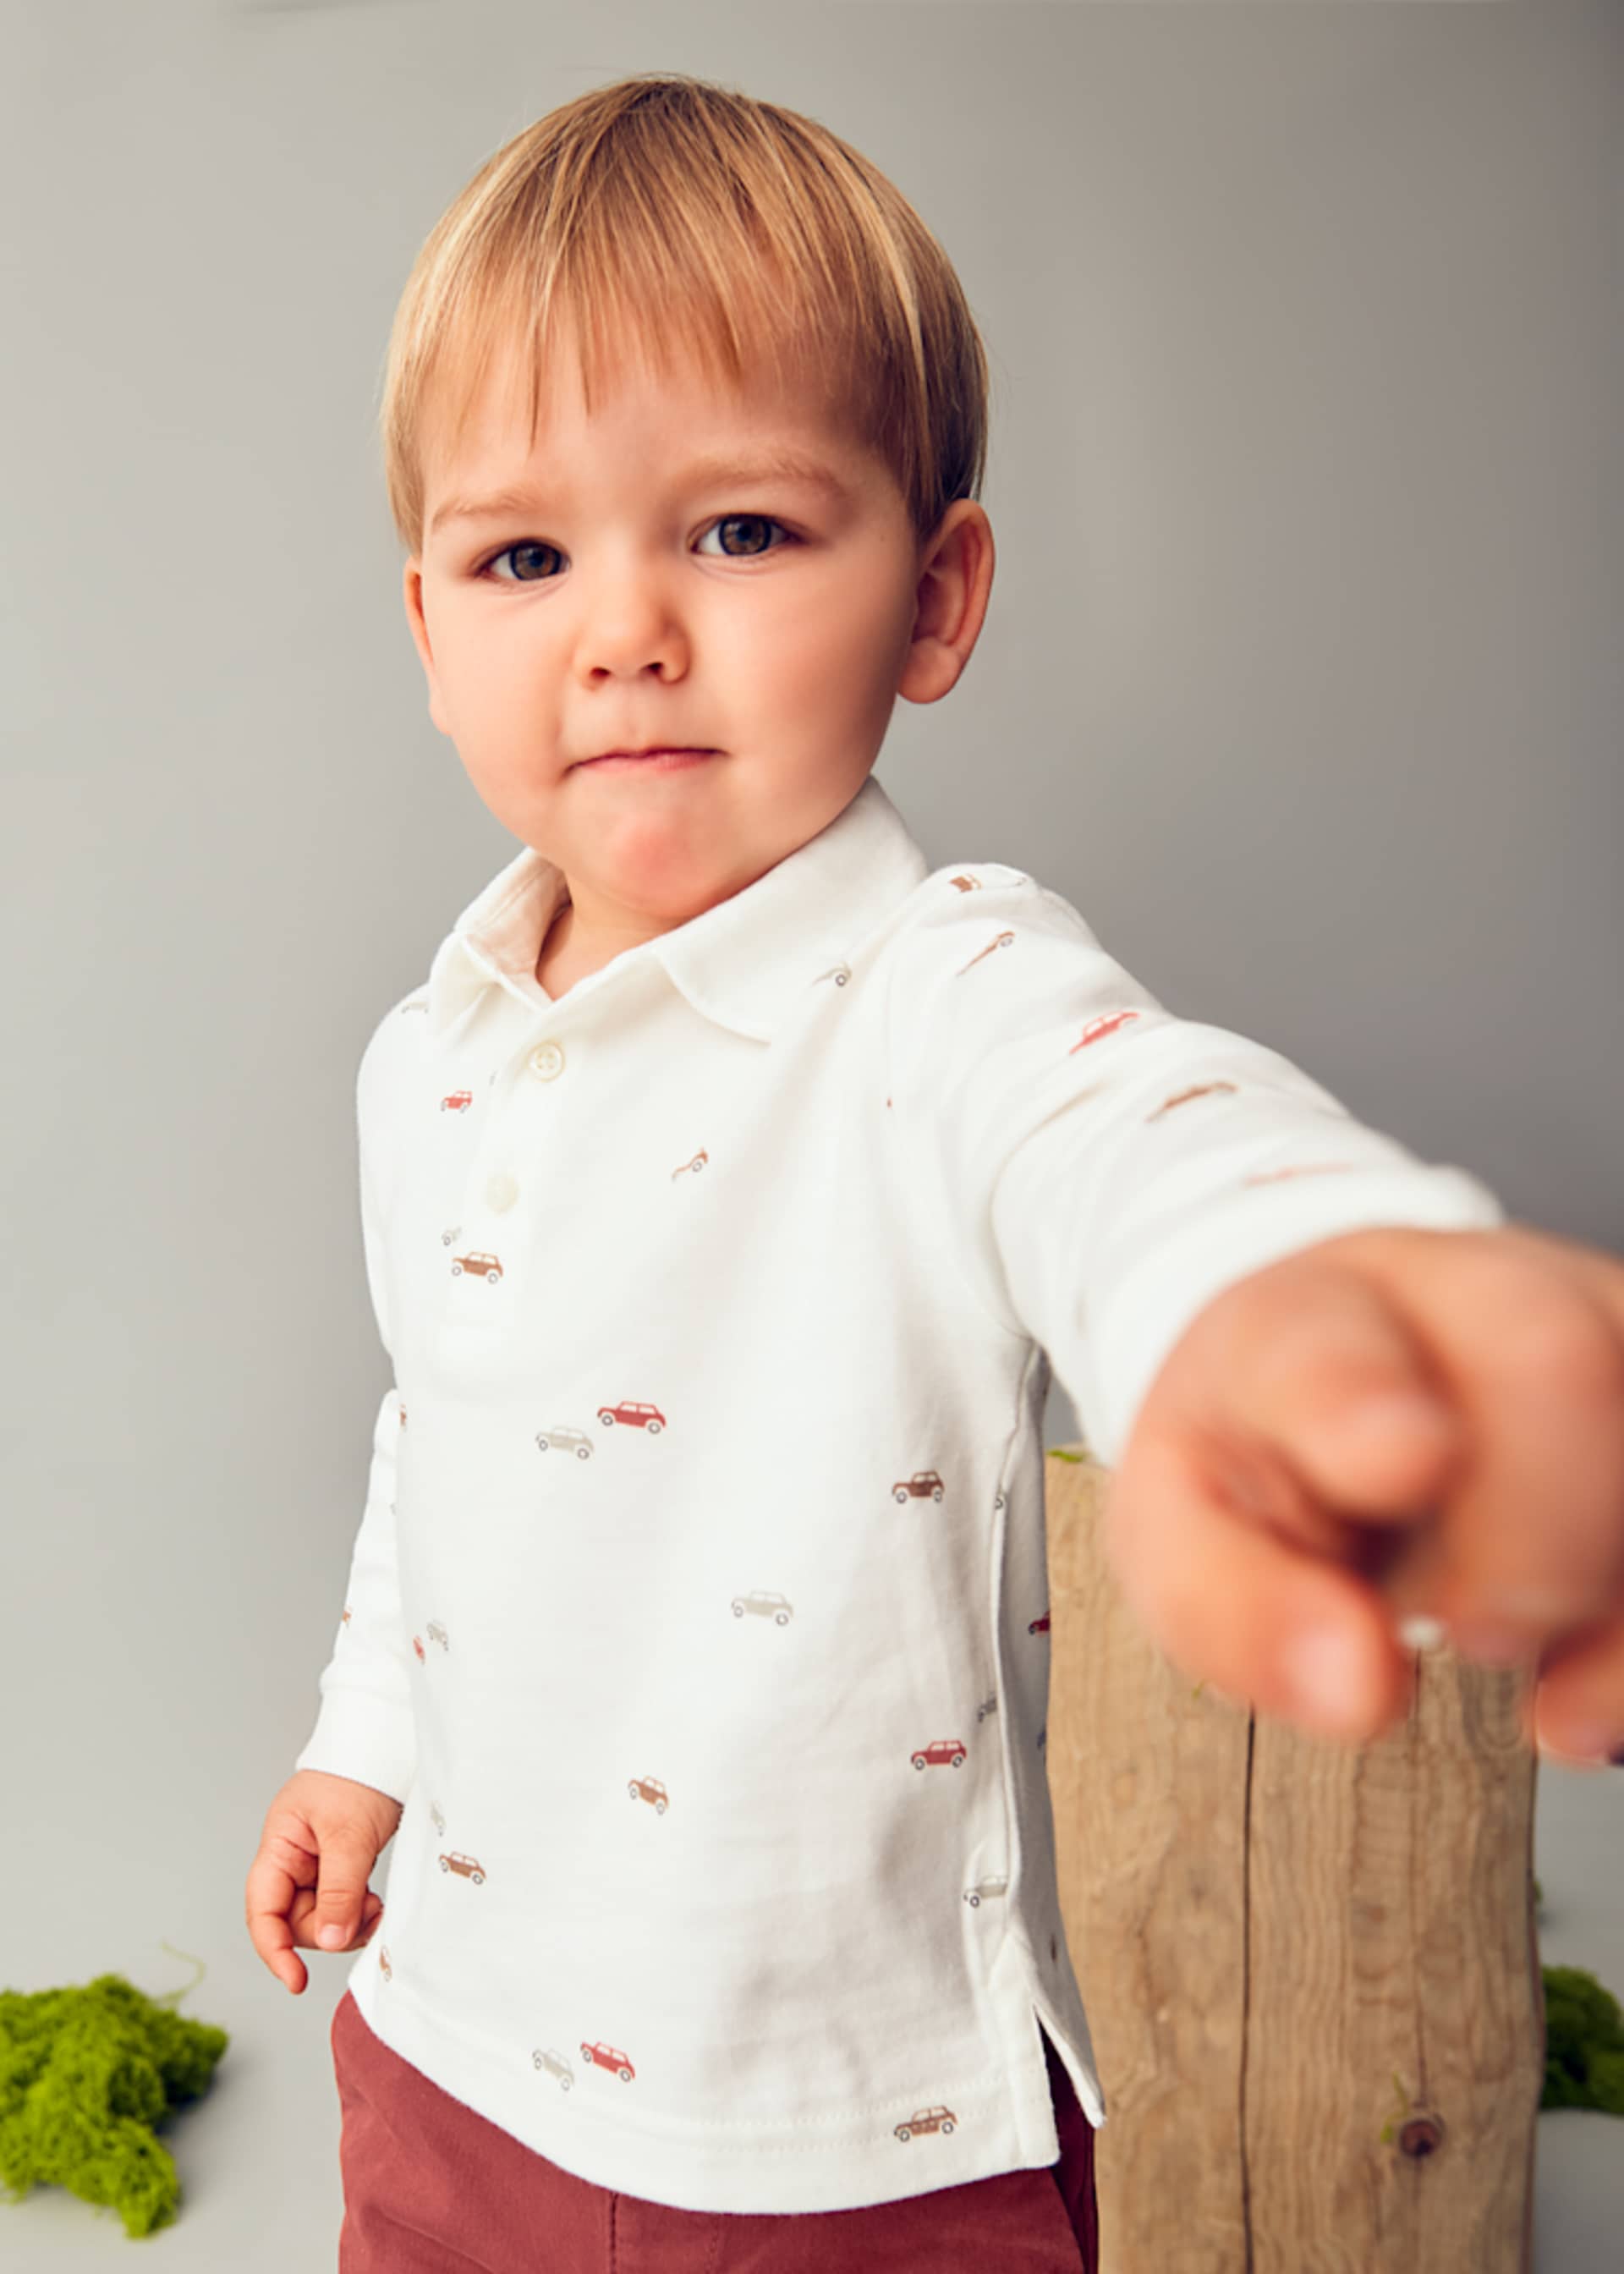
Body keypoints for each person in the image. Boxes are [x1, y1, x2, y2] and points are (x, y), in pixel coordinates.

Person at [244, 70, 1624, 2274]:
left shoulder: (940, 997)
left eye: (744, 532)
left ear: (939, 593)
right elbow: (447, 1444)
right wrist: (358, 1754)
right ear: (429, 632)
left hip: (852, 2144)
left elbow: (1139, 1138)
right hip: (447, 2059)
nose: (624, 630)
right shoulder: (432, 1061)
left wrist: (1307, 1293)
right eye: (526, 554)